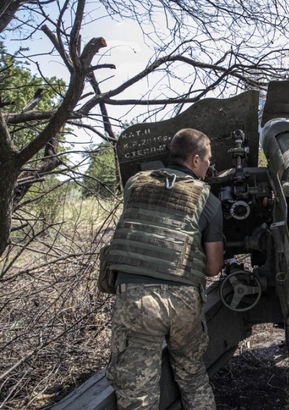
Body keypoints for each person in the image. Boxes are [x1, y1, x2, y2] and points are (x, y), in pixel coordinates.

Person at [104, 128, 224, 410]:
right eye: (208, 159)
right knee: (193, 377)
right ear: (195, 160)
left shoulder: (135, 183)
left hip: (136, 300)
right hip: (184, 302)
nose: (209, 166)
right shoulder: (209, 200)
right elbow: (213, 267)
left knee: (137, 392)